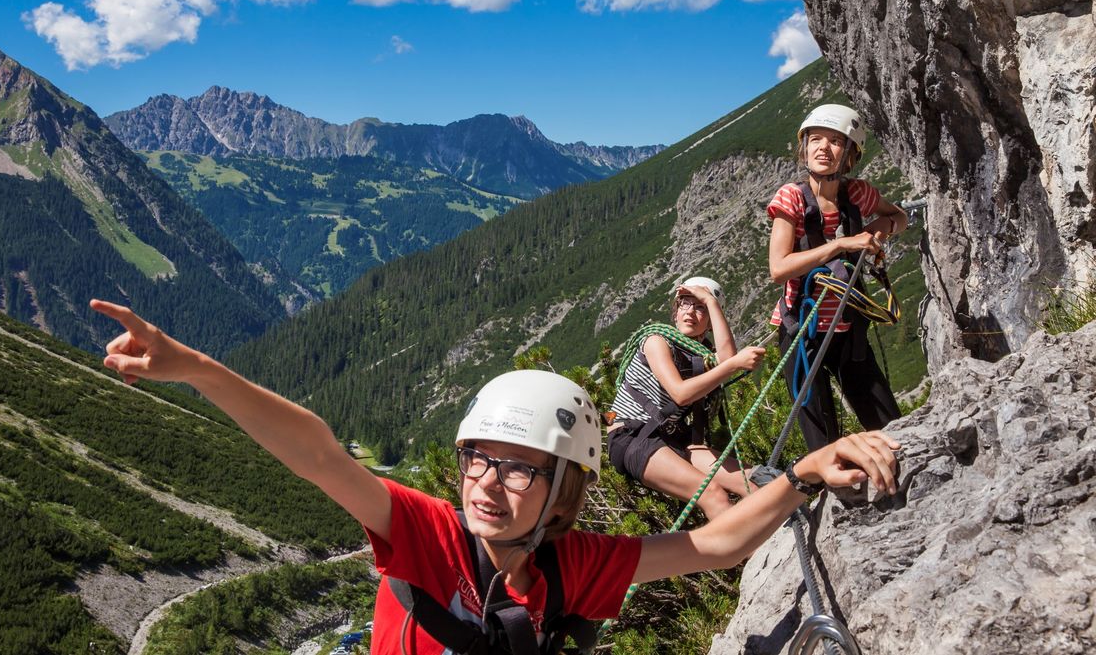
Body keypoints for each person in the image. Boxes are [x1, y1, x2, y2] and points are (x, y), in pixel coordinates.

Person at [90, 298, 899, 655]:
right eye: (476, 457)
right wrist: (197, 370)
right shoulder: (426, 534)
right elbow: (319, 454)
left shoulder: (573, 563)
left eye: (516, 468)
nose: (483, 481)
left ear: (562, 490)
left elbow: (716, 544)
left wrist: (804, 473)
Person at [768, 103, 909, 452]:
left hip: (849, 327)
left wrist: (878, 232)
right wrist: (842, 244)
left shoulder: (858, 194)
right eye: (815, 139)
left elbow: (899, 216)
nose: (823, 148)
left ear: (849, 154)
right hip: (802, 330)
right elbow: (779, 268)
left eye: (834, 141)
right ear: (804, 148)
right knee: (823, 444)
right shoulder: (791, 197)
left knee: (891, 428)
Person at [607, 277, 766, 518]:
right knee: (713, 495)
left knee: (753, 483)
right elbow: (680, 393)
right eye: (684, 304)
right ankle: (740, 544)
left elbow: (727, 358)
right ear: (676, 312)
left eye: (699, 307)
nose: (690, 312)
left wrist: (711, 302)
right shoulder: (656, 341)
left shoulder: (701, 355)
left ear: (710, 322)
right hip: (632, 435)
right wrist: (733, 364)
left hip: (669, 437)